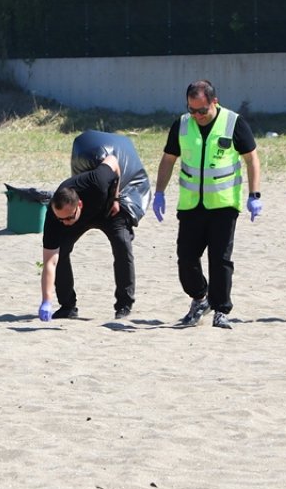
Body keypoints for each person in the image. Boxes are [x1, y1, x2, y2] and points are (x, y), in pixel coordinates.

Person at [152, 79, 262, 329]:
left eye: (202, 110)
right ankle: (201, 297)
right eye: (192, 110)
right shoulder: (181, 125)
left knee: (220, 259)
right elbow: (168, 159)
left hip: (223, 205)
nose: (197, 116)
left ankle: (221, 310)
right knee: (185, 259)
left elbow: (252, 159)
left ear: (215, 101)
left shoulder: (233, 122)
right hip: (191, 205)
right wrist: (159, 192)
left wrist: (254, 195)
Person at [38, 154, 132, 321]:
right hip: (80, 220)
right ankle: (67, 307)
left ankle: (124, 305)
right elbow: (49, 262)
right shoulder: (55, 218)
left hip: (107, 210)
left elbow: (113, 161)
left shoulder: (98, 181)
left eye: (67, 218)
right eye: (60, 219)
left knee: (122, 244)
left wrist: (116, 198)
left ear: (79, 205)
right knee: (61, 252)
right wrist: (46, 300)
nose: (64, 222)